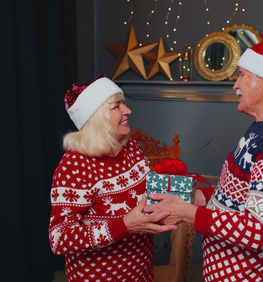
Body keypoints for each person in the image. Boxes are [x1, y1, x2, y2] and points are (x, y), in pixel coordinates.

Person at [145, 29, 263, 281]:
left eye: (242, 75)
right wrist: (202, 198)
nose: (235, 84)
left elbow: (258, 231)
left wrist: (188, 213)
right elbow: (247, 195)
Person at [49, 75, 176, 281]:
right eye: (117, 106)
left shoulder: (128, 145)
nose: (127, 110)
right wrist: (124, 225)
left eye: (123, 103)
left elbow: (145, 191)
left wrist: (184, 197)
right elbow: (59, 239)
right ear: (98, 115)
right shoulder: (75, 165)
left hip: (141, 273)